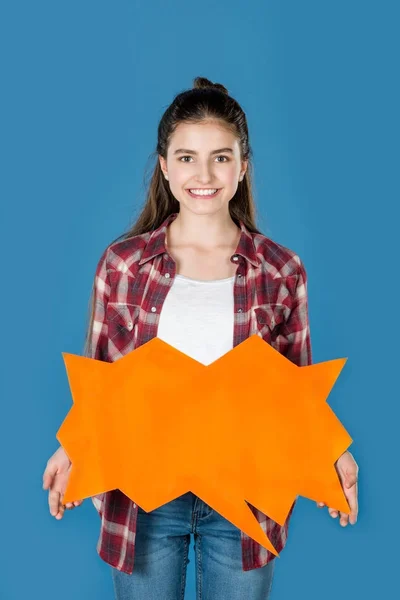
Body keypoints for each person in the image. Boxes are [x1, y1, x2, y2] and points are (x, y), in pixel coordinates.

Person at [42, 76, 359, 600]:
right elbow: (102, 378)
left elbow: (297, 389)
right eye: (186, 157)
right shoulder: (122, 265)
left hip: (244, 498)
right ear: (164, 166)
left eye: (220, 157)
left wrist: (333, 452)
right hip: (143, 498)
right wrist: (71, 446)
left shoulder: (281, 270)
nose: (204, 174)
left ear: (243, 166)